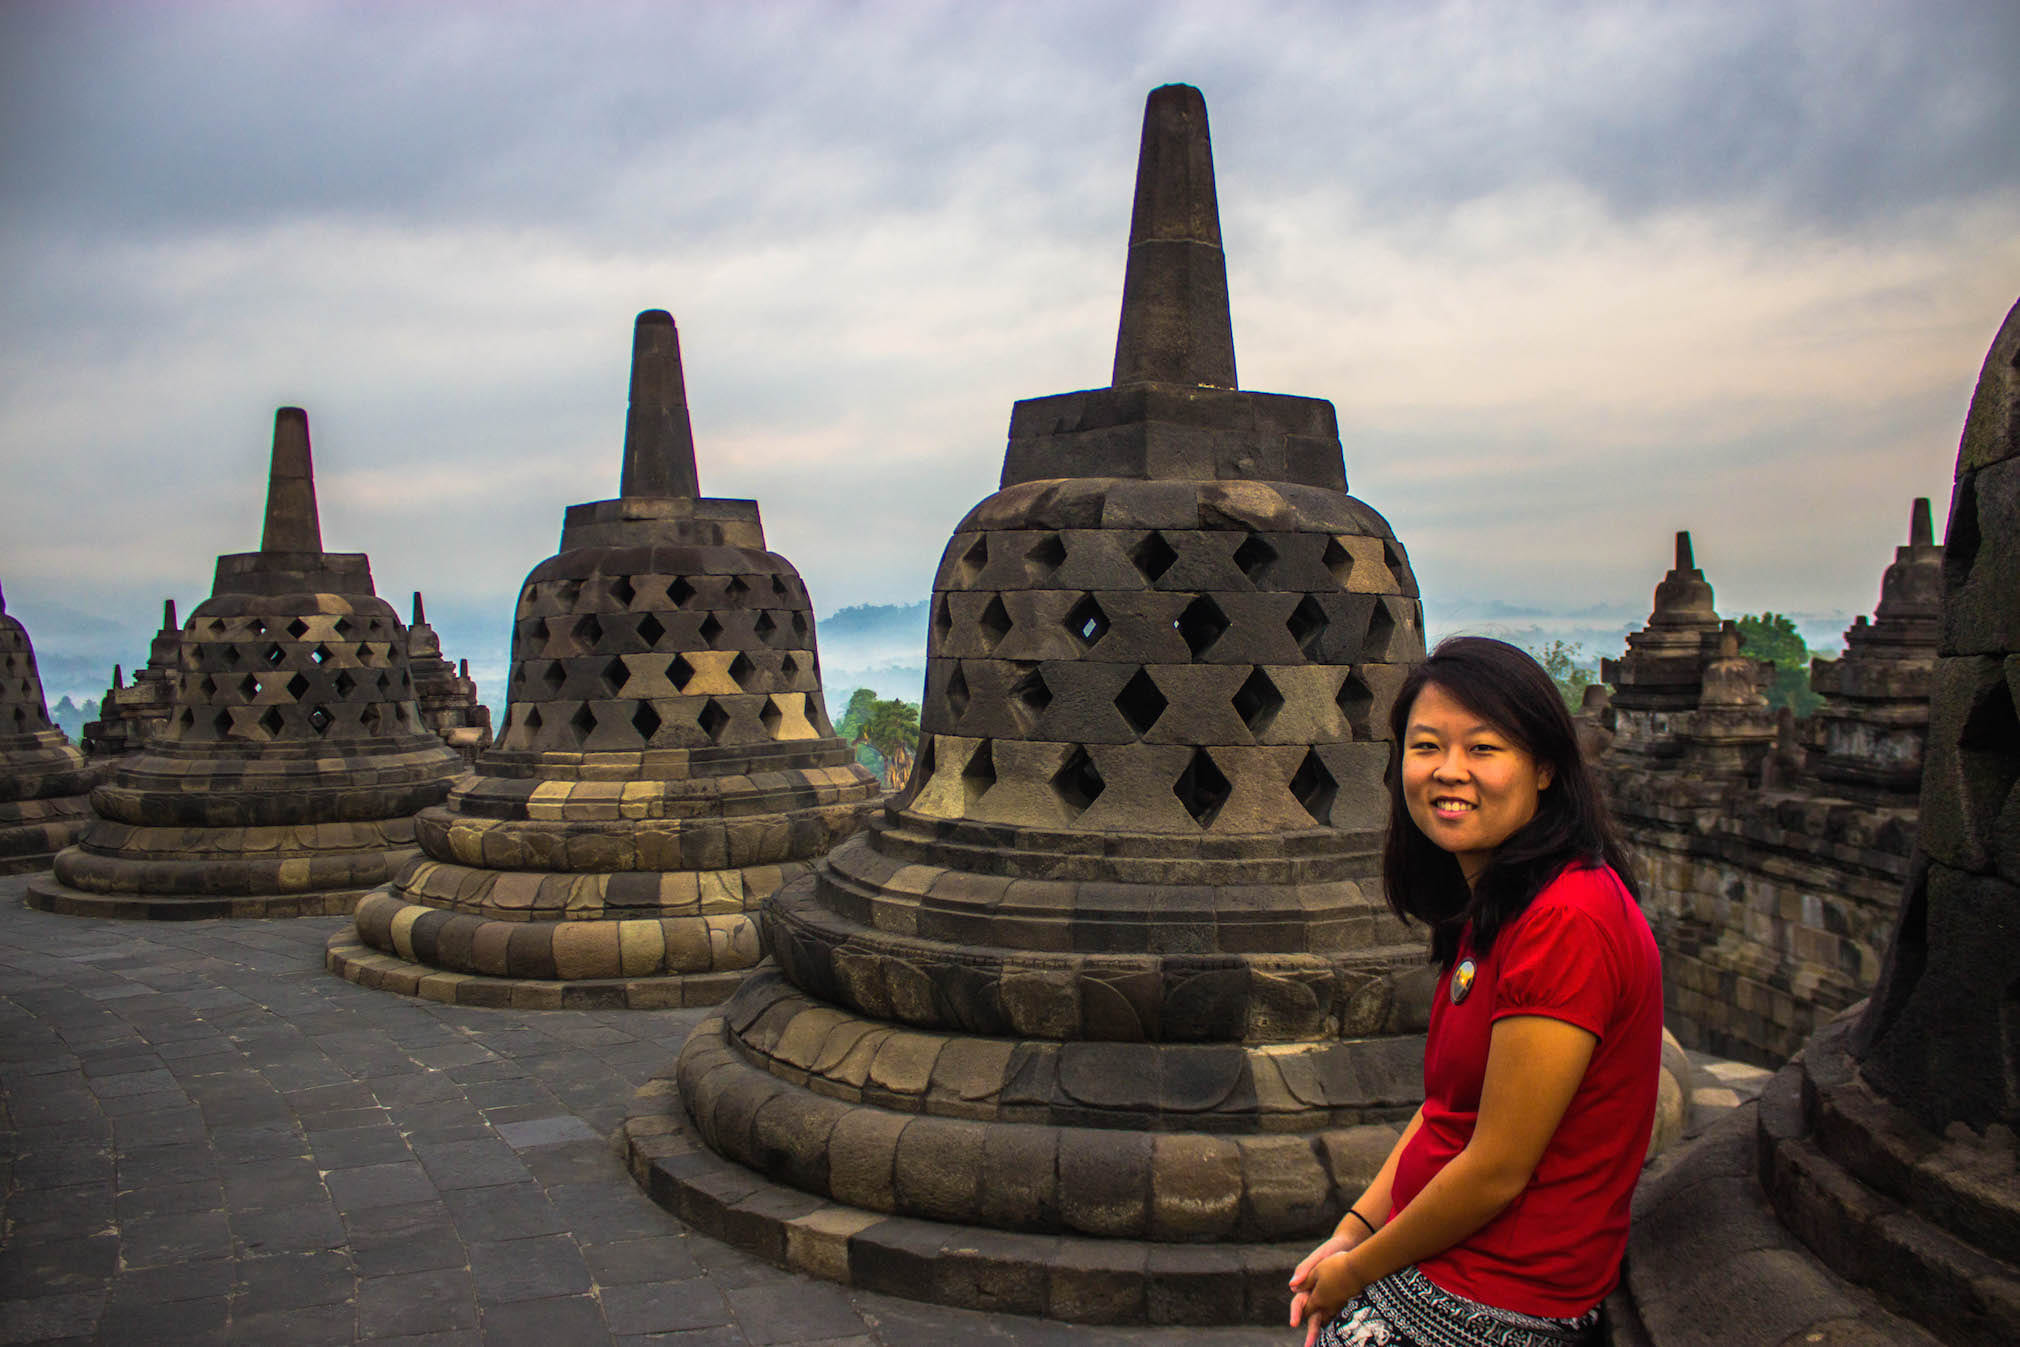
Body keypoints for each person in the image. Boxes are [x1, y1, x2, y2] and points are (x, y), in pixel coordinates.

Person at [1289, 637, 1662, 1347]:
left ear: (1545, 766)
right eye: (1426, 746)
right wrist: (1351, 1231)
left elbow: (1495, 1168)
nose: (1449, 771)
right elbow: (1445, 1112)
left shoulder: (1565, 921)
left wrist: (1355, 1271)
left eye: (1484, 748)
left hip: (1507, 1289)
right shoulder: (1504, 903)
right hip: (1455, 1257)